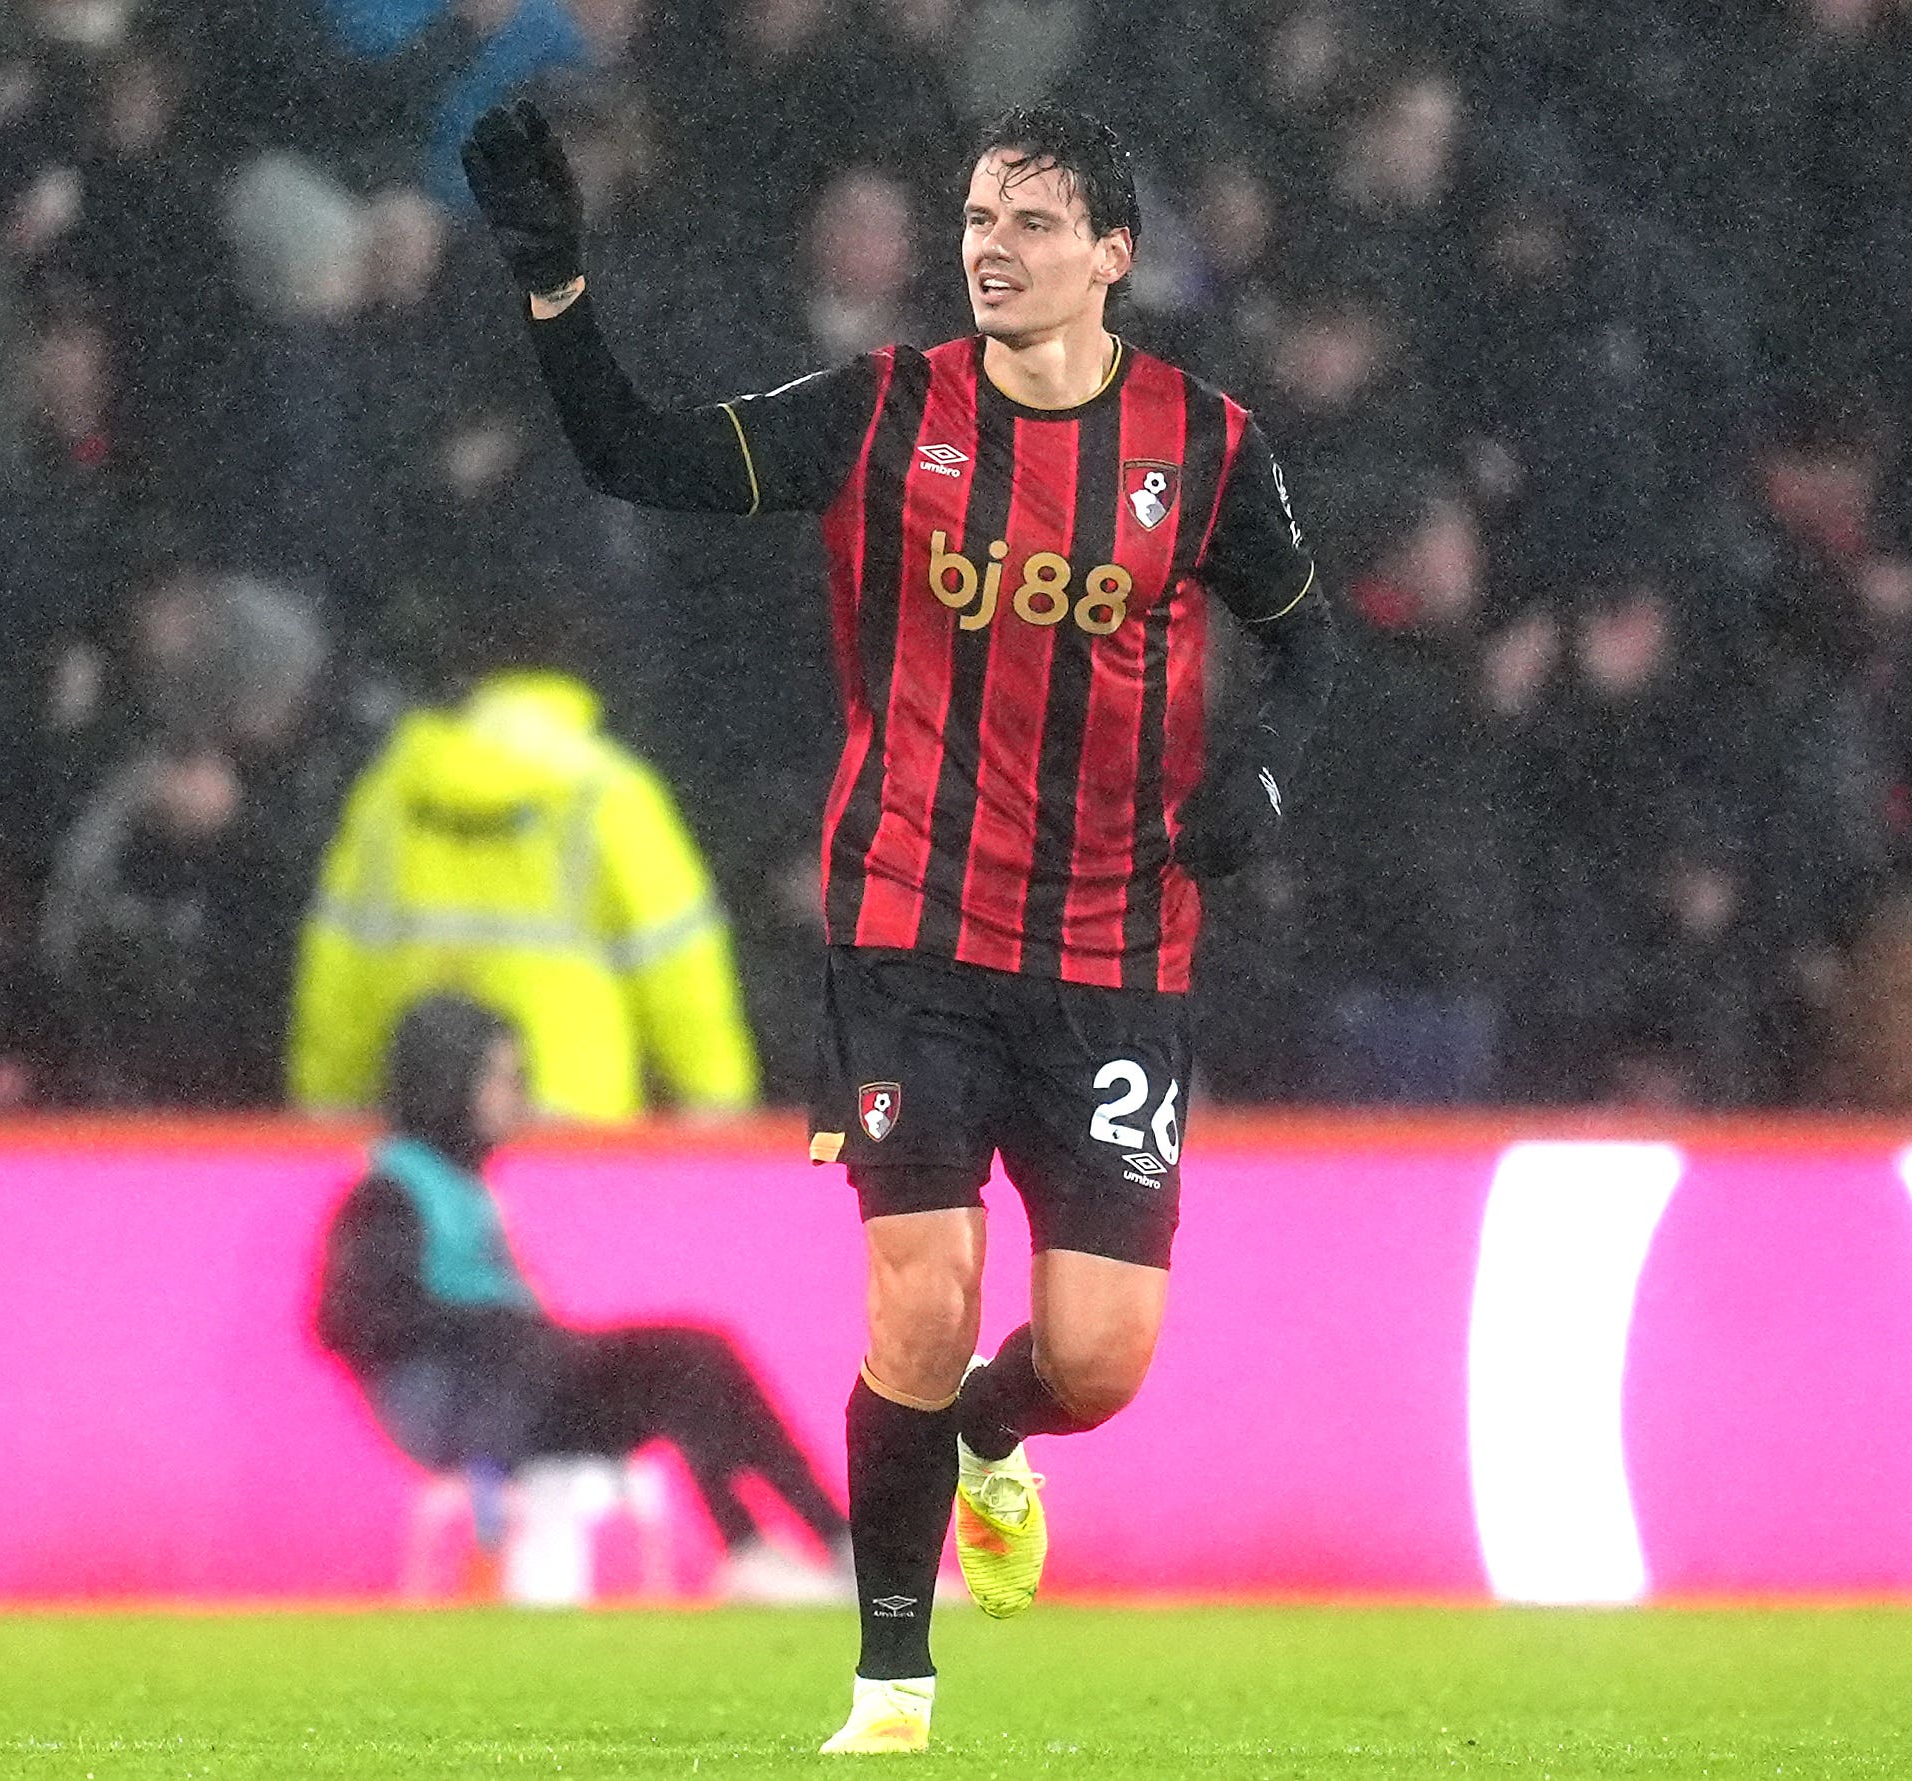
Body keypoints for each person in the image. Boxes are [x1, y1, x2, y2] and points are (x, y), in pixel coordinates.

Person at [459, 97, 1334, 1750]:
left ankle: (996, 1435)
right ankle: (889, 1683)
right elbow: (634, 454)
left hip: (1113, 959)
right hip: (909, 940)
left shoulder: (1204, 445)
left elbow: (1304, 642)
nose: (992, 250)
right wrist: (556, 291)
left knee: (1096, 1360)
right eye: (979, 219)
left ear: (1113, 255)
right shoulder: (880, 412)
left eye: (1032, 224)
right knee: (919, 1303)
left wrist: (1259, 777)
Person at [315, 993, 849, 1600]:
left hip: (519, 1393)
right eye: (503, 1078)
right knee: (685, 1365)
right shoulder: (391, 1192)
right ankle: (792, 1546)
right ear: (451, 1080)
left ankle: (784, 1546)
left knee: (691, 1367)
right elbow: (346, 1318)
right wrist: (488, 1331)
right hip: (472, 1406)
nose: (518, 1095)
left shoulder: (454, 1184)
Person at [286, 617, 759, 1125]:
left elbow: (339, 970)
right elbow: (680, 966)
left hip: (426, 1123)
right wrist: (716, 1101)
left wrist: (327, 1105)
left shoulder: (390, 792)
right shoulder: (608, 793)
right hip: (575, 1126)